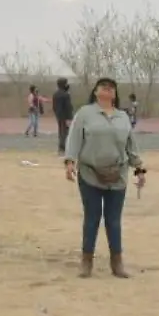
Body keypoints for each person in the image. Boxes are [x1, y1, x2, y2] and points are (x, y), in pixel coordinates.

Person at [64, 77, 145, 279]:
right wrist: (69, 161)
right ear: (96, 91)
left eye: (111, 88)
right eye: (103, 87)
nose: (107, 90)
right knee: (92, 218)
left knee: (113, 220)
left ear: (115, 94)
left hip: (118, 175)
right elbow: (74, 138)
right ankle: (86, 262)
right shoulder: (85, 114)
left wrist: (140, 169)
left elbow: (131, 146)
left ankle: (117, 263)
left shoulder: (123, 117)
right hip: (90, 174)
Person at [52, 78, 74, 154]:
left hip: (59, 116)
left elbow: (54, 106)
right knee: (66, 132)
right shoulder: (66, 95)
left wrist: (57, 114)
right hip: (66, 116)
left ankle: (61, 148)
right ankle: (64, 148)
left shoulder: (55, 94)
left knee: (61, 132)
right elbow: (68, 107)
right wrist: (70, 117)